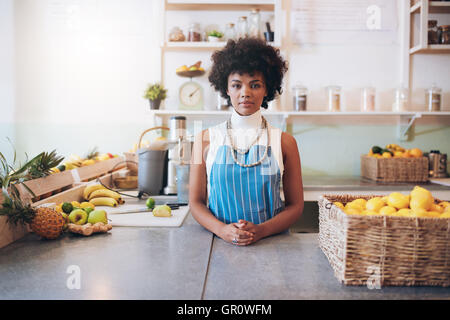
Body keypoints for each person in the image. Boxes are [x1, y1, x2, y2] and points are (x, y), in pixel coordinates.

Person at [189, 37, 304, 246]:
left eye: (255, 85)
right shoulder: (203, 140)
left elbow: (296, 206)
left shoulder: (286, 142)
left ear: (267, 89)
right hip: (219, 246)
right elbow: (196, 203)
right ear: (226, 89)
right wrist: (222, 230)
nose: (245, 93)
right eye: (236, 85)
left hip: (273, 245)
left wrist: (261, 231)